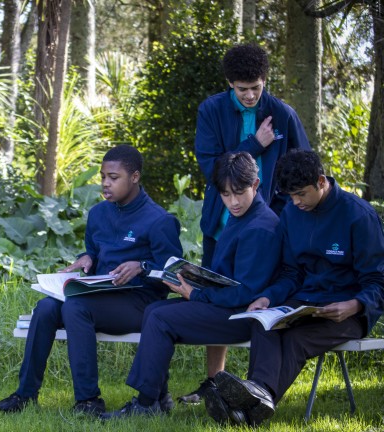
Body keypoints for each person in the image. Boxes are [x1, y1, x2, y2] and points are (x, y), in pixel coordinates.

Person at [0, 145, 183, 416]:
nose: (105, 183)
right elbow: (94, 250)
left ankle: (88, 401)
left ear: (135, 177)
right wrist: (85, 259)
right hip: (99, 294)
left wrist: (142, 266)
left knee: (75, 308)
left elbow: (173, 273)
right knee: (45, 308)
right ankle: (25, 395)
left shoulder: (159, 220)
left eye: (113, 178)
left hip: (139, 302)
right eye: (103, 176)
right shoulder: (99, 213)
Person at [203, 150, 384, 426]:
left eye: (301, 194)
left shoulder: (359, 216)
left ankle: (247, 408)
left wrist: (354, 305)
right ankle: (252, 403)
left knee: (296, 340)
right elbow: (291, 272)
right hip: (302, 302)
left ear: (321, 181)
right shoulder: (291, 211)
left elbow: (377, 281)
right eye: (291, 196)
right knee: (264, 322)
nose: (296, 202)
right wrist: (268, 297)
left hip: (346, 311)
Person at [101, 151, 281, 420]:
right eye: (225, 195)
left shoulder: (260, 227)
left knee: (160, 316)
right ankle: (158, 398)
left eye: (239, 193)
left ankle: (147, 402)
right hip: (225, 304)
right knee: (155, 310)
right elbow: (228, 276)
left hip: (242, 315)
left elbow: (246, 292)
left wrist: (195, 293)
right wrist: (195, 278)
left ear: (255, 185)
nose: (232, 202)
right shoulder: (241, 216)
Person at [185, 42, 311, 403]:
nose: (252, 95)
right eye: (243, 89)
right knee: (216, 297)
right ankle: (214, 382)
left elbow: (300, 165)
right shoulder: (210, 110)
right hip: (220, 225)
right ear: (229, 84)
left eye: (257, 87)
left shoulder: (283, 113)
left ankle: (260, 387)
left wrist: (286, 212)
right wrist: (253, 144)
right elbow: (210, 167)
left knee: (264, 297)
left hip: (268, 228)